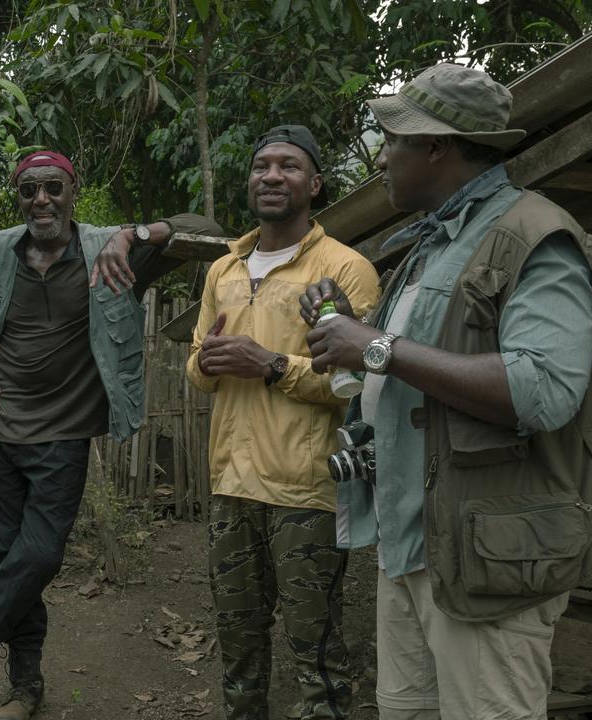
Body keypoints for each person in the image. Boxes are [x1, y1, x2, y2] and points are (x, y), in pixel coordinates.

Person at [301, 63, 592, 719]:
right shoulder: (425, 247)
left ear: (434, 146)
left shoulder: (532, 234)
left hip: (485, 559)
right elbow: (387, 377)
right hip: (410, 545)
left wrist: (376, 345)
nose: (382, 159)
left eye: (394, 140)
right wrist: (342, 327)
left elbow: (544, 388)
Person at [0, 150, 223, 720]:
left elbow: (209, 234)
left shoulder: (113, 251)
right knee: (11, 558)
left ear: (72, 191)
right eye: (29, 189)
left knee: (39, 555)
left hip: (61, 436)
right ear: (18, 196)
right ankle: (26, 687)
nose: (42, 200)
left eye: (53, 188)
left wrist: (132, 234)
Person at [185, 126, 378, 720]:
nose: (271, 176)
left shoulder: (347, 269)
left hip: (307, 492)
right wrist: (208, 363)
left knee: (316, 652)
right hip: (230, 487)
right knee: (239, 650)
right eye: (261, 165)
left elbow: (363, 385)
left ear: (314, 183)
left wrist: (269, 364)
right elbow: (197, 368)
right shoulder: (224, 269)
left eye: (289, 167)